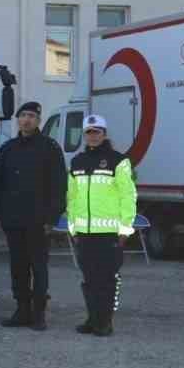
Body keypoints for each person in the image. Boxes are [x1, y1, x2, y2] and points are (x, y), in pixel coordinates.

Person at [0, 100, 68, 330]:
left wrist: (52, 218)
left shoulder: (50, 148)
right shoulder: (7, 149)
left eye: (31, 116)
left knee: (38, 267)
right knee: (17, 266)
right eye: (22, 115)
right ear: (17, 120)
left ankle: (39, 313)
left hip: (38, 220)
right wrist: (2, 215)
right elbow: (0, 185)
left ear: (38, 121)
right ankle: (21, 310)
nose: (26, 120)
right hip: (14, 219)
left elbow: (59, 186)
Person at [67, 115, 137, 337]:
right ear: (84, 135)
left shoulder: (119, 161)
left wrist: (126, 228)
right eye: (89, 132)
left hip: (109, 233)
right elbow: (72, 197)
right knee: (89, 280)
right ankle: (92, 318)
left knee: (106, 280)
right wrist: (73, 228)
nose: (93, 135)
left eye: (97, 131)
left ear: (104, 134)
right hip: (84, 232)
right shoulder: (77, 161)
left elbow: (128, 195)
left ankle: (105, 322)